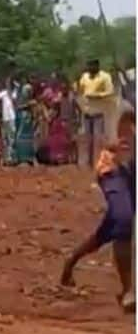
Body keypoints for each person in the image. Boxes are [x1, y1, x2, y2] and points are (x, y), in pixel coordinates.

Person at [61, 110, 135, 312]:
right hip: (115, 169)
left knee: (111, 228)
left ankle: (71, 261)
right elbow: (121, 141)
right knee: (123, 219)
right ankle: (129, 291)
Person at [77, 59, 120, 144]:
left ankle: (99, 156)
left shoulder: (105, 77)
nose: (89, 68)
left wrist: (97, 95)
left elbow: (110, 91)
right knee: (88, 141)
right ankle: (89, 157)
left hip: (98, 114)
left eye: (92, 65)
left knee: (98, 140)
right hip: (87, 115)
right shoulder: (85, 76)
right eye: (88, 65)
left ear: (97, 65)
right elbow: (80, 91)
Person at [12, 77, 36, 165]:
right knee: (20, 137)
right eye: (27, 92)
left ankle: (28, 158)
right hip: (22, 119)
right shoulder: (22, 103)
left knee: (28, 138)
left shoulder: (31, 103)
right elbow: (19, 108)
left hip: (27, 121)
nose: (28, 93)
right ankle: (20, 158)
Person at [0, 82, 16, 164]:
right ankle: (6, 158)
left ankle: (11, 157)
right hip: (5, 118)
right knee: (5, 138)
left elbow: (14, 100)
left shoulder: (14, 93)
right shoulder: (4, 93)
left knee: (12, 137)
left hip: (12, 117)